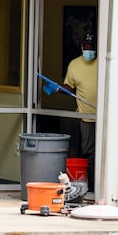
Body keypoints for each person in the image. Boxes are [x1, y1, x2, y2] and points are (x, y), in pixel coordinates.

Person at [44, 33, 98, 195]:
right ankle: (91, 185)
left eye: (92, 48)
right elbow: (70, 88)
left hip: (106, 116)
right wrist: (58, 88)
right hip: (85, 116)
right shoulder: (74, 65)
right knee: (89, 151)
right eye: (86, 47)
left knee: (105, 151)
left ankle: (102, 182)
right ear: (82, 47)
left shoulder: (104, 63)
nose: (89, 51)